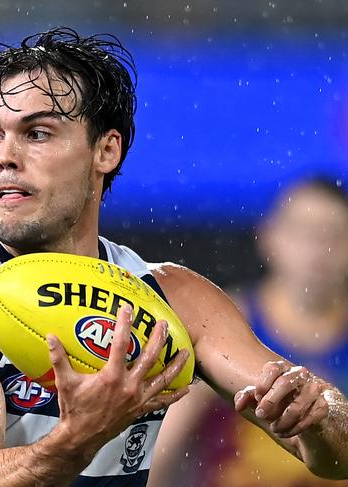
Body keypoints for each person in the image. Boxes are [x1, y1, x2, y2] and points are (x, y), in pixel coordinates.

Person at [0, 28, 348, 486]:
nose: (5, 156)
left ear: (106, 149)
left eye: (38, 133)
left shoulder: (176, 301)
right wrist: (81, 435)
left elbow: (331, 453)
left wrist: (322, 420)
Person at [148, 178, 348, 487]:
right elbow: (163, 447)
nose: (317, 250)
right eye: (303, 233)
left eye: (333, 235)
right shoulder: (221, 324)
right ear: (269, 236)